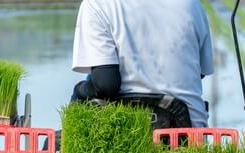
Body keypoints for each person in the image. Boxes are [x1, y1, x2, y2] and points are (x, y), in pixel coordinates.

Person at [71, 0, 214, 128]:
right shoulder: (193, 4)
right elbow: (198, 73)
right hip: (189, 127)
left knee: (84, 89)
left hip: (128, 132)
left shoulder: (97, 4)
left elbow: (106, 86)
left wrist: (80, 89)